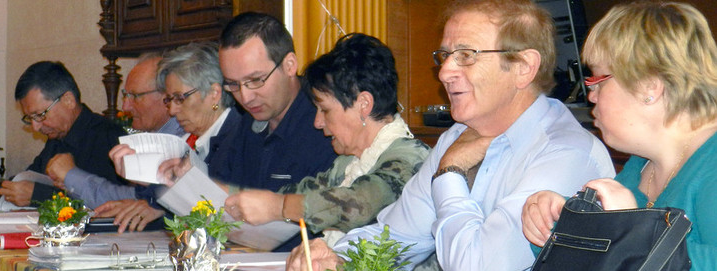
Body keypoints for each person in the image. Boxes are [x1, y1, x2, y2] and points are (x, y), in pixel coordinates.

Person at [286, 0, 615, 270]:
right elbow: (397, 236)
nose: (444, 72)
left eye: (466, 56)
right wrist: (335, 257)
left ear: (523, 68)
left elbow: (479, 265)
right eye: (445, 56)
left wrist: (450, 174)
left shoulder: (566, 154)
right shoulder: (458, 136)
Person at [522, 2, 717, 269]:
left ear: (649, 87)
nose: (591, 95)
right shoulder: (641, 166)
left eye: (599, 80)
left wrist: (631, 228)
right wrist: (561, 217)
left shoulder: (711, 168)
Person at [224, 33, 430, 246]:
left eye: (325, 110)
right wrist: (233, 199)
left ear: (364, 104)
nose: (317, 122)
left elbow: (359, 204)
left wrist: (279, 207)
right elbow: (302, 192)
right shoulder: (346, 164)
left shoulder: (411, 157)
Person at [96, 42, 242, 233]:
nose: (172, 110)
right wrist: (146, 177)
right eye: (169, 100)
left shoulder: (241, 137)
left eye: (180, 98)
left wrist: (160, 200)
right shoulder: (200, 141)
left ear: (214, 94)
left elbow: (226, 214)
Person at [211, 12, 337, 193]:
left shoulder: (325, 125)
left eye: (255, 80)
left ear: (290, 65)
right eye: (233, 84)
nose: (246, 98)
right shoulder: (244, 125)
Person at [45, 53, 185, 209]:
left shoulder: (185, 141)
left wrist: (72, 176)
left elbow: (140, 200)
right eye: (125, 96)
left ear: (166, 96)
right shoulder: (153, 137)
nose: (125, 107)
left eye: (135, 96)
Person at [0, 61, 126, 207]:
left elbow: (109, 202)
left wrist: (38, 196)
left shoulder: (107, 137)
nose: (35, 127)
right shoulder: (57, 138)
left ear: (68, 100)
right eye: (30, 118)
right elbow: (29, 178)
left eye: (39, 115)